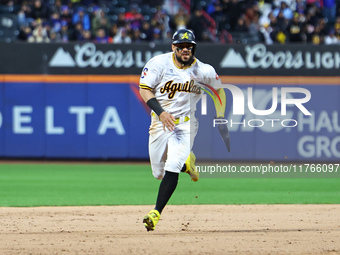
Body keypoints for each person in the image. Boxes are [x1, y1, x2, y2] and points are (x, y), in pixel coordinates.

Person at [139, 29, 227, 231]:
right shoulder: (158, 64)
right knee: (158, 173)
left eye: (189, 47)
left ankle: (156, 212)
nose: (185, 50)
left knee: (172, 166)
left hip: (186, 124)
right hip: (160, 122)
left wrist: (220, 115)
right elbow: (144, 88)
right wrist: (161, 112)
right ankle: (188, 164)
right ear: (173, 47)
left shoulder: (204, 70)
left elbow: (219, 90)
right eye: (181, 47)